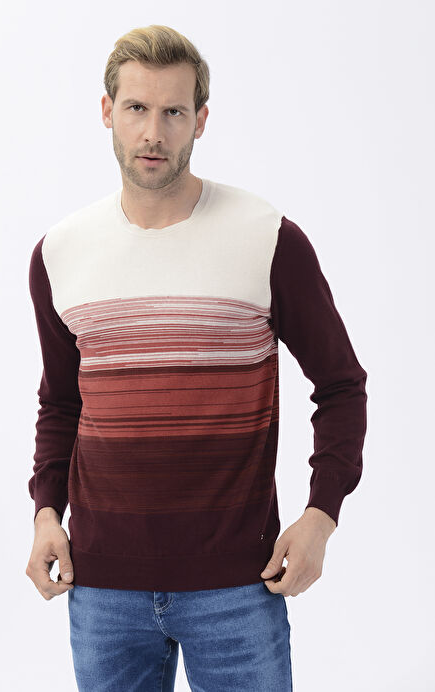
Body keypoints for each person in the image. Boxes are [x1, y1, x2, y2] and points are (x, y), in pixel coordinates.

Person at [25, 23, 367, 692]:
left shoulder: (266, 238)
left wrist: (320, 516)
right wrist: (45, 515)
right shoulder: (60, 253)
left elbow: (340, 386)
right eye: (136, 108)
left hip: (236, 587)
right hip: (102, 588)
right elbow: (61, 404)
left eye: (173, 112)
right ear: (107, 112)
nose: (153, 132)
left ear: (200, 121)